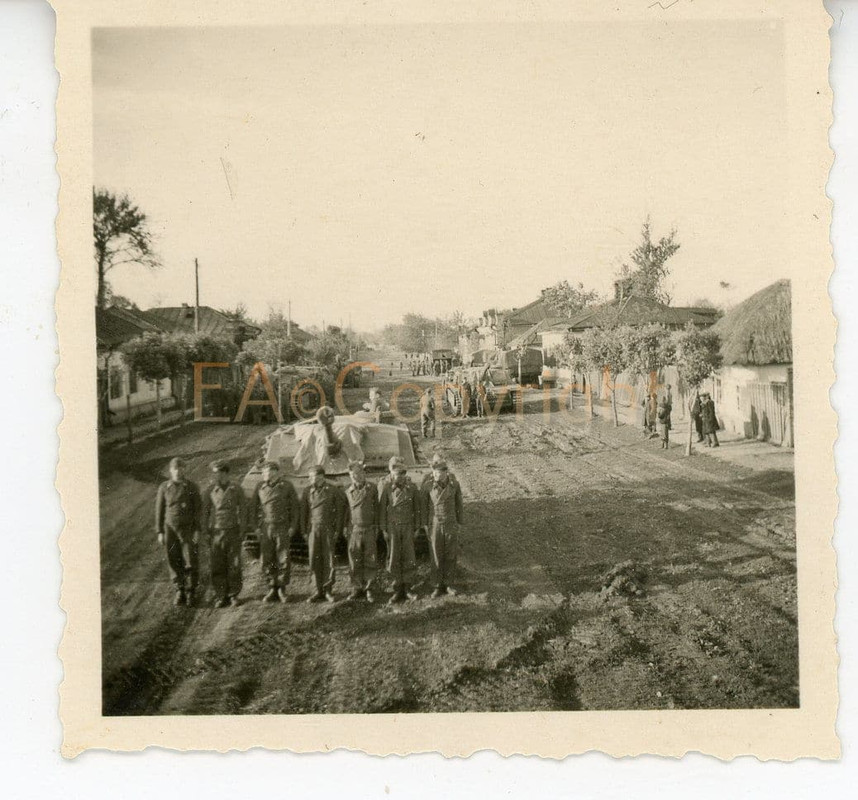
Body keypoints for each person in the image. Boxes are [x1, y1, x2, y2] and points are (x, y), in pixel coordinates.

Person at [249, 460, 299, 603]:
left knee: (283, 557)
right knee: (266, 557)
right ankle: (271, 587)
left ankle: (282, 588)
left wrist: (293, 527)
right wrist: (256, 527)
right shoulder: (260, 487)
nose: (266, 474)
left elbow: (295, 508)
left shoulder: (286, 486)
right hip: (266, 527)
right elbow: (252, 509)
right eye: (264, 472)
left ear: (276, 472)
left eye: (269, 471)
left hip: (282, 525)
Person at [154, 457, 202, 607]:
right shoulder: (164, 487)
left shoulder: (191, 487)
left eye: (181, 468)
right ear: (170, 470)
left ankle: (191, 590)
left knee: (190, 559)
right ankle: (179, 589)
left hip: (188, 528)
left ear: (185, 470)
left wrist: (197, 530)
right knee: (173, 558)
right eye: (175, 469)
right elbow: (159, 510)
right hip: (170, 528)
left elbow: (198, 511)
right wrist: (160, 531)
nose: (178, 472)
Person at [202, 460, 246, 608]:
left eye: (219, 473)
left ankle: (233, 594)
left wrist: (242, 529)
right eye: (215, 473)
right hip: (217, 532)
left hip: (233, 530)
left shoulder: (236, 489)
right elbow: (205, 512)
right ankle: (221, 595)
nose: (216, 476)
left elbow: (244, 510)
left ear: (226, 473)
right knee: (218, 564)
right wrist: (206, 532)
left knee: (234, 563)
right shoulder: (210, 490)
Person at [378, 457, 421, 604]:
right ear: (392, 475)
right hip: (393, 528)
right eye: (397, 474)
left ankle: (408, 588)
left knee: (409, 556)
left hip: (408, 527)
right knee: (394, 557)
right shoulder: (387, 488)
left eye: (403, 474)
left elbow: (417, 509)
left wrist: (417, 528)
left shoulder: (412, 488)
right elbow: (382, 510)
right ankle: (397, 589)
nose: (400, 477)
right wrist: (383, 529)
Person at [300, 465, 346, 603]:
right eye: (309, 476)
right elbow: (304, 512)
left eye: (312, 476)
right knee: (314, 558)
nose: (310, 479)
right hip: (313, 529)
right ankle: (317, 590)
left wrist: (337, 530)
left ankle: (328, 590)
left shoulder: (332, 490)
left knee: (328, 559)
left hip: (327, 529)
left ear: (320, 476)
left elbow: (339, 512)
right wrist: (303, 530)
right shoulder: (307, 491)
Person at [421, 458, 464, 598]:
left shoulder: (454, 485)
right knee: (436, 554)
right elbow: (423, 508)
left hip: (450, 522)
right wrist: (425, 525)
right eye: (435, 472)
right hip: (435, 524)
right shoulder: (427, 486)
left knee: (451, 554)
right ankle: (437, 585)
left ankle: (449, 583)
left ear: (446, 472)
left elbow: (459, 505)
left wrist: (459, 523)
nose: (437, 475)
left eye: (440, 472)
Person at [344, 460, 379, 603]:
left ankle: (369, 588)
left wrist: (377, 526)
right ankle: (356, 588)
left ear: (363, 473)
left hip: (369, 527)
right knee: (354, 559)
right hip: (355, 529)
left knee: (370, 559)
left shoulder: (372, 488)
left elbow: (377, 508)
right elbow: (346, 511)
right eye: (352, 475)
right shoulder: (348, 491)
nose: (355, 477)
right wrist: (346, 527)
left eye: (358, 473)